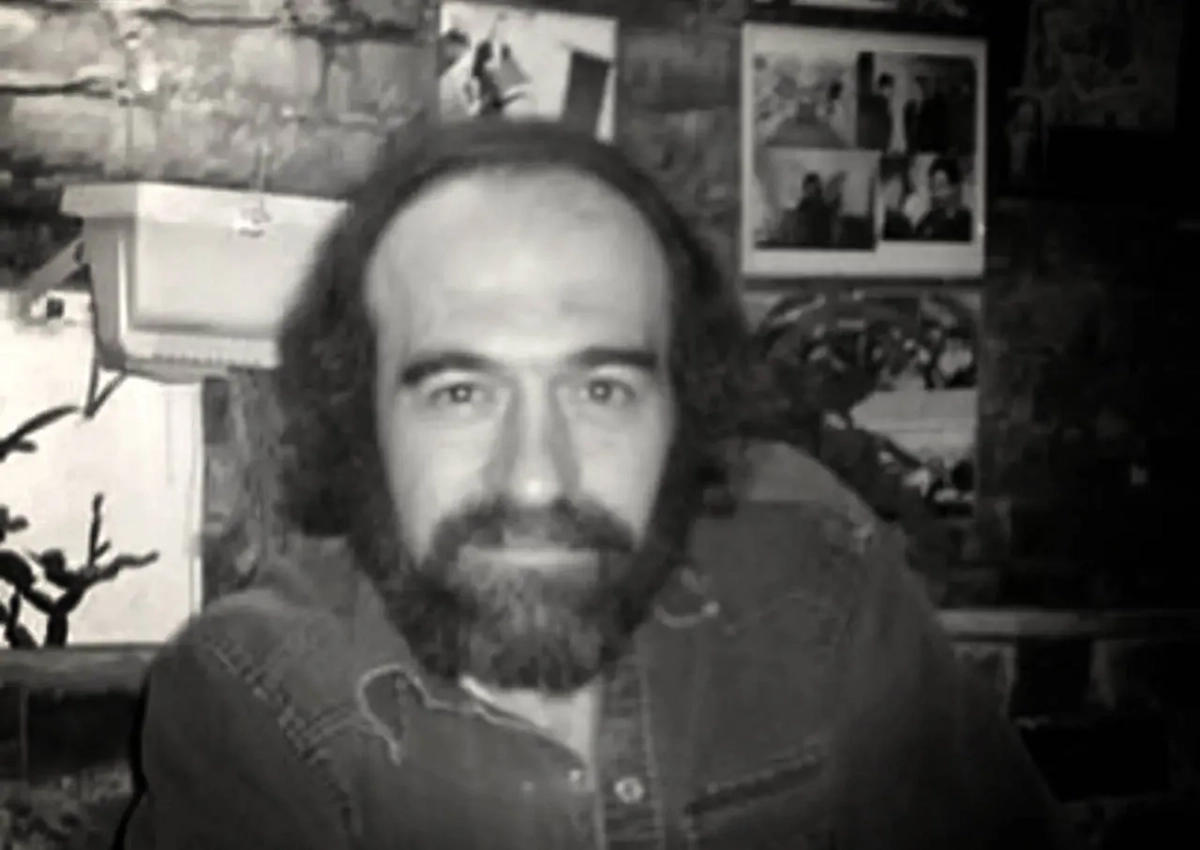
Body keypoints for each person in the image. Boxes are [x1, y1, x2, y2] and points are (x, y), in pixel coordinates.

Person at [121, 120, 1077, 850]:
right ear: (362, 422)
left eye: (601, 389)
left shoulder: (816, 571)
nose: (539, 475)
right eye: (461, 392)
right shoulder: (262, 702)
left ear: (683, 410)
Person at [916, 156, 974, 242]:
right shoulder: (928, 222)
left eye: (941, 186)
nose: (936, 194)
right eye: (933, 187)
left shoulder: (969, 222)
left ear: (955, 187)